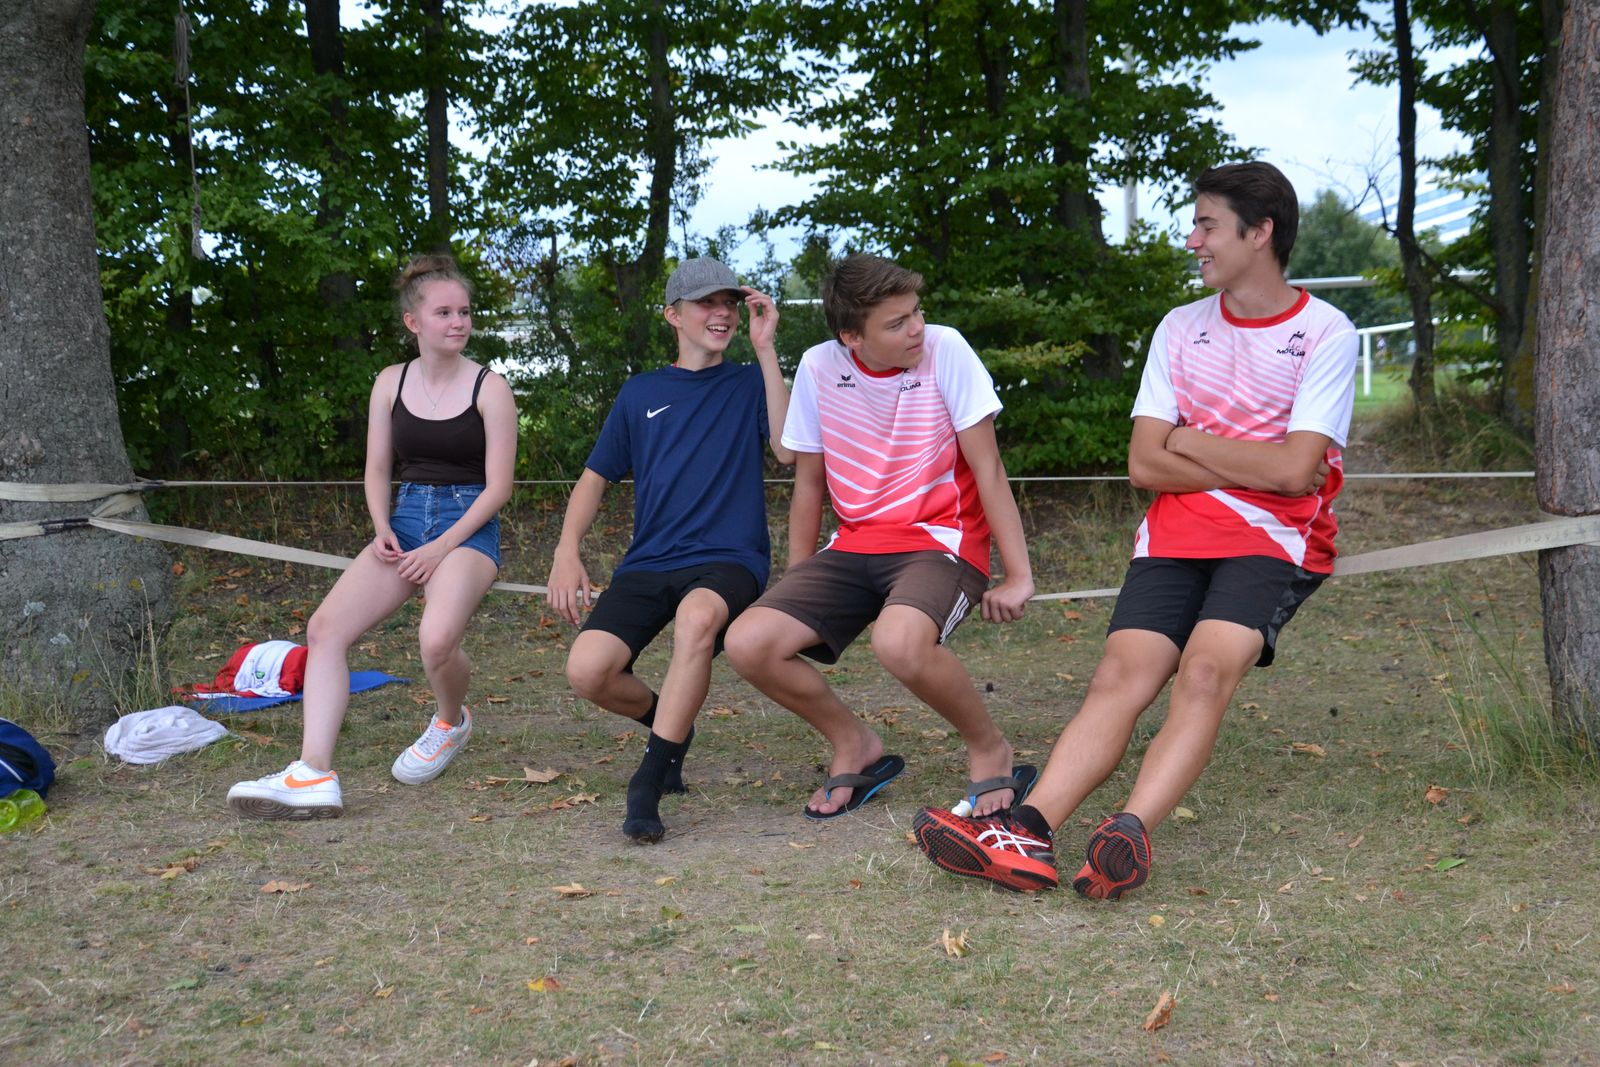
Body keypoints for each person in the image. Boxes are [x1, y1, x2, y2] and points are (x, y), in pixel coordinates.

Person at [914, 161, 1358, 897]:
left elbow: (1294, 475)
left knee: (1205, 672)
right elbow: (1145, 463)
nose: (1193, 240)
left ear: (1261, 232)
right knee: (1119, 677)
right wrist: (1243, 458)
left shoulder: (1325, 331)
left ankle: (1128, 832)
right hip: (1174, 534)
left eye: (1208, 225)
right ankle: (1025, 831)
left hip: (1275, 538)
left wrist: (1190, 439)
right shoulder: (1180, 328)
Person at [724, 253, 1036, 822]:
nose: (917, 328)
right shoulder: (820, 366)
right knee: (748, 642)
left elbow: (989, 469)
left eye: (917, 312)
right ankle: (854, 744)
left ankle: (989, 747)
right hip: (853, 545)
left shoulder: (946, 349)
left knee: (899, 643)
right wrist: (797, 577)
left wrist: (1018, 575)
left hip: (940, 541)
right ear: (852, 337)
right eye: (897, 323)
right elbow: (808, 483)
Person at [227, 254, 517, 818]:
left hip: (467, 525)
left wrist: (439, 549)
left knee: (436, 640)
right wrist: (382, 527)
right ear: (413, 322)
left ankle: (450, 722)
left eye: (464, 312)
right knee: (325, 629)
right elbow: (378, 469)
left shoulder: (491, 388)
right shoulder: (390, 381)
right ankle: (312, 772)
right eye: (444, 313)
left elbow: (499, 488)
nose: (458, 322)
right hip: (404, 519)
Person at [547, 257, 791, 843]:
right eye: (707, 303)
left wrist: (765, 350)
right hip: (651, 560)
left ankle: (649, 780)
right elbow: (595, 478)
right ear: (673, 316)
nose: (722, 312)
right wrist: (566, 550)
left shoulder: (749, 383)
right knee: (588, 671)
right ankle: (671, 726)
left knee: (697, 618)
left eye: (728, 303)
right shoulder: (641, 393)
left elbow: (787, 450)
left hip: (729, 558)